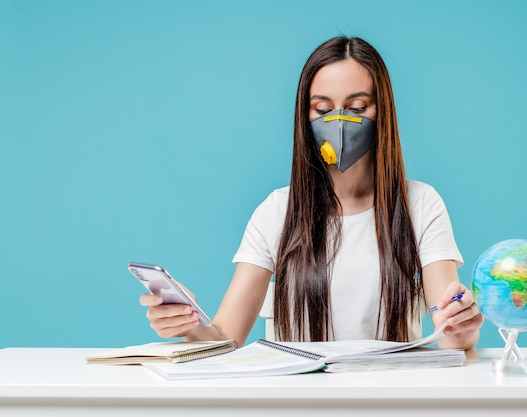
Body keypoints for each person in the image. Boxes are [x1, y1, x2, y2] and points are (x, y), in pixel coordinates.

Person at [140, 36, 483, 350]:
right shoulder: (276, 211)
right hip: (296, 399)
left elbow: (449, 330)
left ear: (384, 113)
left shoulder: (420, 204)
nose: (338, 122)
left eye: (358, 107)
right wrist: (188, 321)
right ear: (305, 116)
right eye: (322, 109)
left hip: (387, 397)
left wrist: (462, 325)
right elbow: (224, 339)